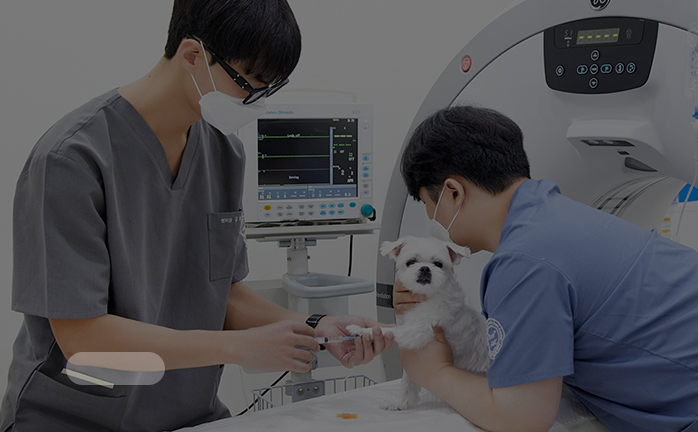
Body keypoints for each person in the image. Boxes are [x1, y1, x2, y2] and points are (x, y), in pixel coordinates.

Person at [0, 1, 392, 431]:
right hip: (77, 418)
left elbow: (222, 294)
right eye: (249, 85)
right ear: (192, 55)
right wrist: (237, 347)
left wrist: (318, 326)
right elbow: (83, 338)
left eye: (267, 91)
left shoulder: (223, 152)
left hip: (188, 414)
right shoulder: (72, 159)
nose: (255, 103)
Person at [394, 105, 698, 432]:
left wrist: (433, 372)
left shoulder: (524, 261)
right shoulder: (558, 217)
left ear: (453, 192)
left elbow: (521, 418)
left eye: (428, 204)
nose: (431, 218)